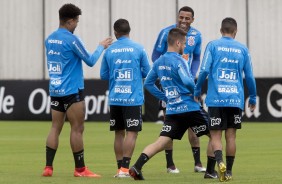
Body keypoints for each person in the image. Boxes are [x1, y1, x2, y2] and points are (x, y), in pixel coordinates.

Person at [129, 28, 216, 180]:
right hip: (190, 108)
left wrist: (165, 96)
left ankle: (137, 166)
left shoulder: (159, 62)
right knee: (215, 134)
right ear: (177, 42)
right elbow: (188, 81)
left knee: (161, 141)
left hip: (173, 110)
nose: (184, 47)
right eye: (183, 43)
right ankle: (210, 171)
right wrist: (195, 92)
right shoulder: (179, 60)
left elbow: (148, 84)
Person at [42, 3, 113, 177]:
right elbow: (90, 60)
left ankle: (48, 168)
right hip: (72, 91)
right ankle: (80, 169)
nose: (77, 25)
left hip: (56, 89)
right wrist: (101, 47)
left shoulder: (49, 39)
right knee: (77, 129)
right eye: (76, 21)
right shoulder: (72, 40)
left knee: (55, 128)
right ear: (70, 21)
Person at [194, 17, 257, 182]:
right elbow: (249, 76)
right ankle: (228, 171)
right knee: (231, 137)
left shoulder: (213, 45)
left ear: (221, 30)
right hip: (235, 99)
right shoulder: (243, 49)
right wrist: (252, 96)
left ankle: (219, 162)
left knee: (215, 137)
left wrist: (197, 89)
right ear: (235, 31)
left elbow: (204, 70)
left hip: (216, 99)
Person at [151, 6, 205, 173]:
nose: (183, 21)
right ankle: (170, 164)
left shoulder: (196, 35)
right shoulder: (166, 32)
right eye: (181, 17)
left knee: (194, 124)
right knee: (170, 123)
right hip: (171, 84)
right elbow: (155, 55)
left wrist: (192, 74)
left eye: (187, 18)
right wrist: (163, 71)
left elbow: (196, 57)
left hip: (187, 83)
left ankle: (197, 163)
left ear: (192, 20)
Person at [100, 18, 151, 178]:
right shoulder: (139, 48)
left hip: (115, 98)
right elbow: (147, 72)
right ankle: (124, 168)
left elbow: (104, 75)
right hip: (133, 98)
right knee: (132, 133)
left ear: (115, 33)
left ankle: (119, 169)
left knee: (118, 133)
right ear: (129, 31)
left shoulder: (109, 50)